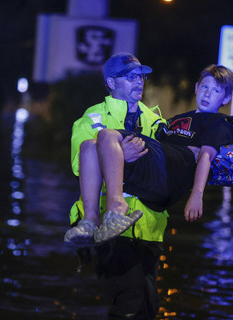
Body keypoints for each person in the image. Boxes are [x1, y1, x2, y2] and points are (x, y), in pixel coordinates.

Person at [67, 64, 233, 245]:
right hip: (154, 170)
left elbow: (204, 157)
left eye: (216, 91)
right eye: (204, 87)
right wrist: (122, 155)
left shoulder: (219, 123)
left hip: (167, 176)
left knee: (106, 135)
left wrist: (196, 195)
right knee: (89, 145)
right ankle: (90, 221)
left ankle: (116, 206)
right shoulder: (176, 120)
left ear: (226, 98)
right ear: (196, 87)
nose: (208, 93)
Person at [67, 52, 168, 320]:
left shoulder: (156, 121)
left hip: (148, 226)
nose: (139, 82)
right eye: (130, 77)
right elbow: (80, 165)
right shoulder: (93, 118)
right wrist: (122, 155)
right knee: (130, 300)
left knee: (148, 302)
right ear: (111, 83)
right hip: (108, 226)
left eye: (141, 76)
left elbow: (165, 169)